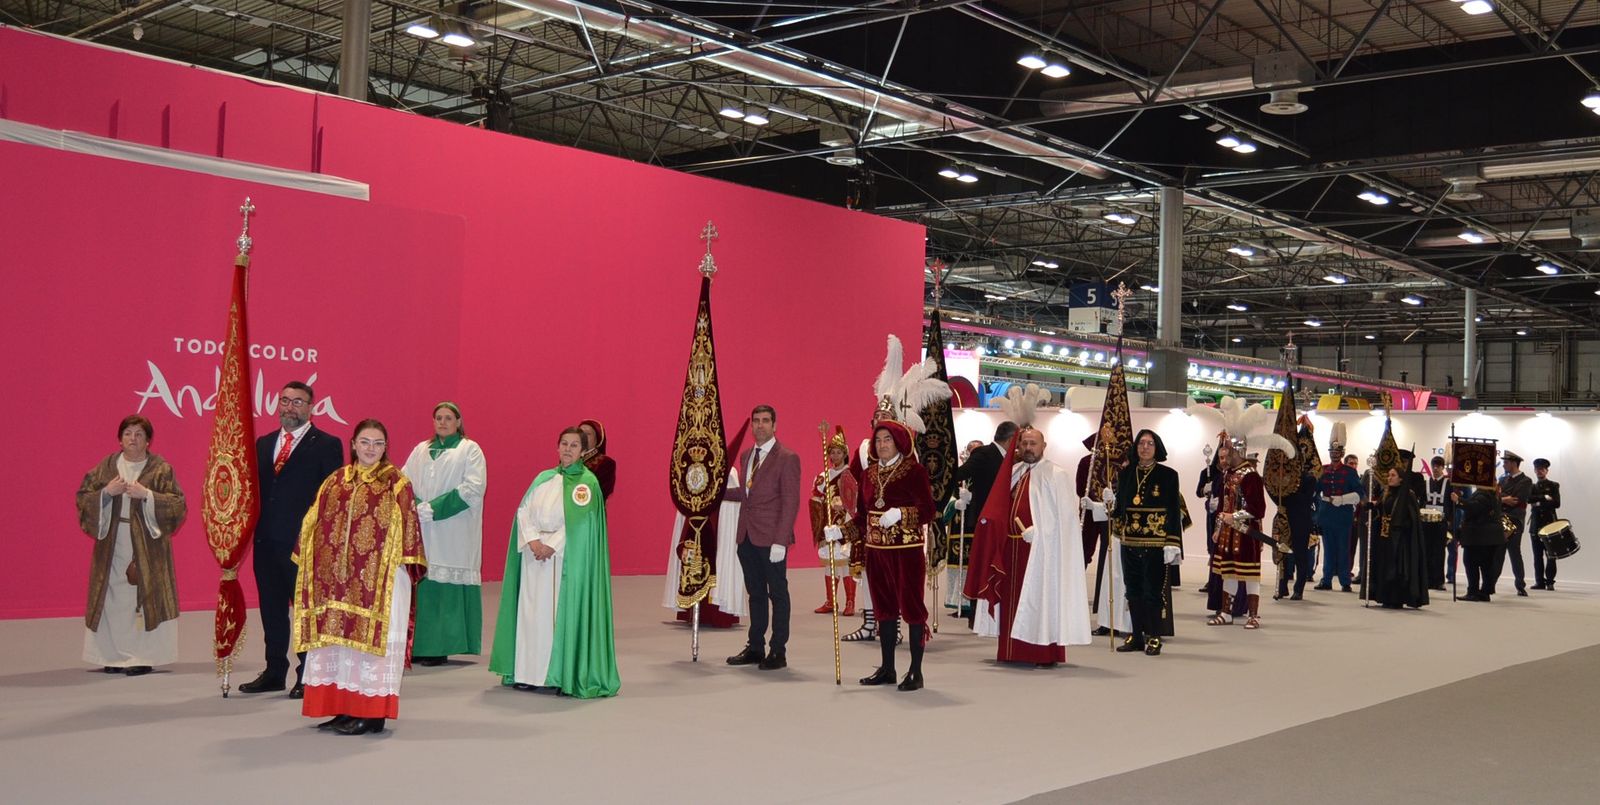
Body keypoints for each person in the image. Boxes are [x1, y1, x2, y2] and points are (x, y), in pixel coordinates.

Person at [293, 419, 426, 735]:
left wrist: (397, 572)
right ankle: (342, 707)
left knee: (369, 651)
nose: (371, 449)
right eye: (365, 442)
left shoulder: (397, 484)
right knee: (339, 647)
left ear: (385, 447)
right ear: (353, 444)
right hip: (337, 586)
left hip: (380, 585)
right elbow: (314, 524)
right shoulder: (335, 481)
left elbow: (410, 534)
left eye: (378, 443)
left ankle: (371, 714)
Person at [489, 426, 619, 697]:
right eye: (564, 444)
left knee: (554, 617)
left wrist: (551, 545)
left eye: (574, 445)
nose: (568, 450)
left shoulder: (587, 483)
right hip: (533, 556)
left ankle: (558, 674)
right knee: (530, 616)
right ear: (557, 447)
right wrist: (533, 540)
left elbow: (581, 524)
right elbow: (523, 511)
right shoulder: (543, 478)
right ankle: (527, 673)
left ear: (583, 451)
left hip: (562, 561)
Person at [240, 381, 345, 698]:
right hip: (266, 543)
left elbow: (331, 498)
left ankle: (307, 673)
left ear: (311, 407)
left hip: (304, 545)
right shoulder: (263, 443)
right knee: (271, 610)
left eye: (298, 402)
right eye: (284, 400)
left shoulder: (327, 444)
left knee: (304, 612)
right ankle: (274, 671)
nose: (290, 407)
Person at [75, 414, 186, 675]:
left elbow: (178, 505)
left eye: (139, 434)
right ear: (119, 438)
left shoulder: (160, 469)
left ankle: (142, 657)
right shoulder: (106, 467)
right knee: (113, 599)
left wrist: (146, 496)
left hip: (149, 549)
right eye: (127, 433)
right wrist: (106, 493)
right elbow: (83, 498)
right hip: (113, 544)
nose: (132, 439)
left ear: (148, 441)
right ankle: (111, 656)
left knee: (143, 600)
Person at [969, 426, 1089, 666]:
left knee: (1038, 600)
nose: (1028, 448)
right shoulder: (1014, 472)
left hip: (1040, 553)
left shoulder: (1056, 474)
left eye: (1033, 443)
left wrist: (1042, 533)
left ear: (1044, 446)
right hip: (1010, 549)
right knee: (1010, 600)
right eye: (1024, 443)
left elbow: (1066, 521)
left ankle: (1041, 652)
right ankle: (1010, 651)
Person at [401, 402, 487, 666]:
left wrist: (434, 509)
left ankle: (441, 646)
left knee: (444, 585)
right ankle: (418, 646)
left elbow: (473, 488)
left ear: (459, 421)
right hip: (422, 527)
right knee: (423, 581)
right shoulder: (421, 450)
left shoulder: (469, 450)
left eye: (448, 418)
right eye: (438, 417)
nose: (443, 422)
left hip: (454, 530)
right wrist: (416, 506)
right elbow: (403, 481)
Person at [855, 420, 936, 691]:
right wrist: (837, 531)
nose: (881, 445)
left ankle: (916, 671)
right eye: (878, 440)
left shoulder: (915, 471)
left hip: (906, 552)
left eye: (887, 439)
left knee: (912, 610)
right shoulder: (868, 474)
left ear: (899, 441)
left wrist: (902, 513)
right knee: (884, 610)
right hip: (876, 552)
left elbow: (927, 511)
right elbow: (861, 515)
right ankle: (887, 668)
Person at [723, 405, 801, 671]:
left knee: (777, 594)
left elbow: (790, 502)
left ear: (775, 425)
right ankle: (755, 646)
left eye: (765, 421)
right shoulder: (746, 456)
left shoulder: (787, 458)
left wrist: (781, 540)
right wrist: (716, 493)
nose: (760, 426)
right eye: (756, 421)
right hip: (746, 536)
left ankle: (778, 650)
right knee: (755, 593)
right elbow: (747, 495)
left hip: (771, 540)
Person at [1109, 429, 1182, 655]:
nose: (1145, 447)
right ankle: (1136, 635)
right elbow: (1120, 508)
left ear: (1157, 447)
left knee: (1153, 591)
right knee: (1133, 591)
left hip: (1156, 542)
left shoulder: (1168, 475)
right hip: (1130, 540)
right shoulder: (1126, 473)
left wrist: (1173, 541)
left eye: (1150, 443)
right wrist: (1107, 507)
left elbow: (1172, 509)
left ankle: (1154, 636)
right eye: (1141, 443)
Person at [949, 421, 1014, 621]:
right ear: (1010, 439)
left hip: (1002, 519)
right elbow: (957, 475)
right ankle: (977, 614)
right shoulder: (984, 454)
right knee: (983, 564)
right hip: (984, 518)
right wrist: (958, 493)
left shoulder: (1009, 458)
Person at [809, 426, 858, 615]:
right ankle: (831, 601)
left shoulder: (850, 474)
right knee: (829, 563)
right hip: (828, 524)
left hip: (844, 523)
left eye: (838, 452)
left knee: (845, 562)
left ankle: (850, 602)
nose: (835, 456)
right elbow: (815, 498)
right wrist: (821, 501)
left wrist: (845, 506)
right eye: (832, 452)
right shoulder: (823, 477)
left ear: (844, 453)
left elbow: (855, 499)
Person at [1369, 464, 1429, 609]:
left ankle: (1397, 598)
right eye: (1389, 475)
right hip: (1384, 536)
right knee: (1384, 565)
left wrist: (1402, 524)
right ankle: (1384, 596)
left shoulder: (1408, 495)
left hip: (1400, 540)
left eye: (1393, 475)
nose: (1389, 478)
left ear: (1401, 479)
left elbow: (1413, 518)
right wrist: (1372, 507)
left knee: (1396, 568)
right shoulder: (1387, 493)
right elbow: (1381, 509)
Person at [1313, 429, 1359, 593]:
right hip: (1326, 514)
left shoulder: (1350, 472)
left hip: (1343, 515)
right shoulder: (1323, 470)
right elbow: (1316, 490)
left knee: (1343, 549)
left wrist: (1343, 499)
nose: (1334, 454)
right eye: (1332, 451)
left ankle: (1345, 581)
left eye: (1337, 451)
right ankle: (1326, 580)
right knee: (1328, 548)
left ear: (1342, 453)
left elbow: (1359, 494)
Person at [1452, 485, 1505, 602]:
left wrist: (1459, 501)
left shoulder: (1484, 495)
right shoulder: (1492, 495)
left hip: (1479, 537)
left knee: (1471, 563)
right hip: (1486, 537)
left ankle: (1474, 592)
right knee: (1485, 566)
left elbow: (1474, 507)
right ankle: (1484, 592)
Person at [1497, 451, 1533, 597]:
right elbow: (1497, 496)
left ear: (1513, 463)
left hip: (1515, 520)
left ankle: (1520, 584)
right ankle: (1490, 583)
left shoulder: (1526, 481)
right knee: (1498, 551)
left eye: (1506, 462)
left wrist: (1501, 498)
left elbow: (1518, 499)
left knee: (1514, 552)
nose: (1504, 465)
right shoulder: (1503, 479)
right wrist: (1504, 499)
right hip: (1502, 518)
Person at [1528, 458, 1561, 590]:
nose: (1539, 471)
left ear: (1546, 470)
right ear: (1535, 470)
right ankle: (1539, 582)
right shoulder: (1532, 486)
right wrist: (1545, 497)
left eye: (1542, 469)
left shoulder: (1554, 485)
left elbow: (1557, 503)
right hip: (1536, 523)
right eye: (1537, 469)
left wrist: (1537, 503)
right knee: (1537, 555)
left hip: (1549, 524)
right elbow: (1528, 499)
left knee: (1551, 554)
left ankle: (1550, 581)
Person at [1421, 456, 1452, 592]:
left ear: (1442, 468)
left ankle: (1438, 581)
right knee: (1426, 550)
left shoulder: (1448, 484)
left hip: (1441, 522)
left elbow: (1450, 505)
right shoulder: (1426, 483)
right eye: (1433, 465)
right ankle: (1427, 579)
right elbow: (1422, 502)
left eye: (1438, 466)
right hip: (1426, 522)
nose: (1435, 468)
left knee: (1439, 551)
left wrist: (1450, 521)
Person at [578, 419, 616, 499]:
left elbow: (602, 492)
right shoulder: (568, 460)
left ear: (597, 439)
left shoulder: (606, 463)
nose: (583, 436)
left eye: (588, 434)